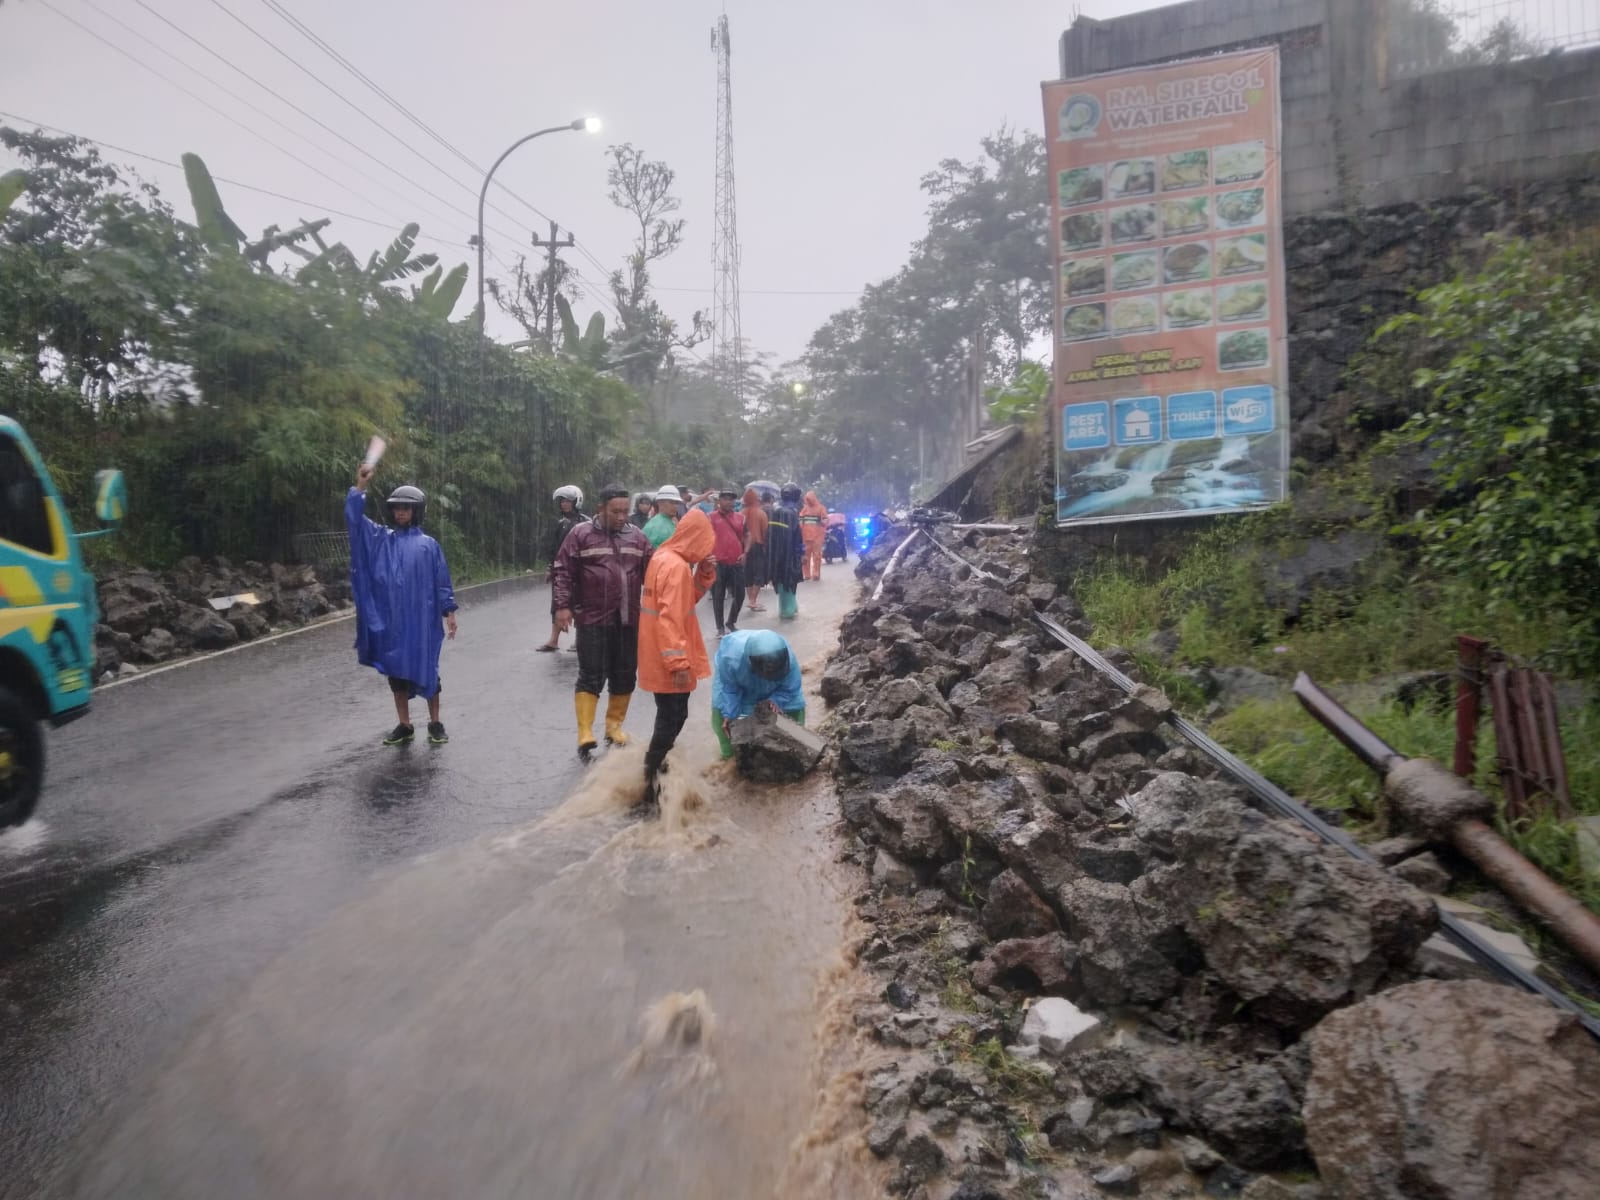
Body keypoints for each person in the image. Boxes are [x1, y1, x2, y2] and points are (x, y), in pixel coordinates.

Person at [347, 464, 458, 746]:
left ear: (416, 511)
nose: (400, 513)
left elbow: (441, 580)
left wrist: (449, 611)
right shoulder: (382, 540)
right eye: (397, 508)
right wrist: (360, 487)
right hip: (393, 621)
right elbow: (355, 521)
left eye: (406, 509)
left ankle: (435, 722)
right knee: (397, 673)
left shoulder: (429, 545)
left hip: (422, 622)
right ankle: (404, 724)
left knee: (427, 670)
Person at [551, 482, 652, 758]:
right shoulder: (580, 535)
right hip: (593, 619)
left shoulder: (638, 538)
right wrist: (563, 606)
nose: (621, 517)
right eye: (615, 511)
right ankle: (585, 731)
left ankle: (614, 727)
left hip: (628, 620)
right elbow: (562, 571)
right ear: (601, 508)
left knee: (624, 673)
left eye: (624, 511)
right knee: (591, 674)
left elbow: (654, 572)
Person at [638, 508, 716, 802]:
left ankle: (655, 768)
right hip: (668, 657)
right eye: (704, 544)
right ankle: (651, 776)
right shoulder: (676, 566)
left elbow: (685, 598)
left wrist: (704, 572)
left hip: (656, 653)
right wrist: (678, 662)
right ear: (694, 539)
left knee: (668, 714)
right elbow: (670, 619)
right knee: (673, 716)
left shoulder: (665, 557)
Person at [710, 629, 805, 760]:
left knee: (794, 712)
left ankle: (799, 754)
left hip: (778, 688)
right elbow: (730, 688)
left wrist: (776, 700)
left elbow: (791, 687)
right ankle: (729, 757)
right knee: (722, 717)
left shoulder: (787, 657)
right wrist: (729, 714)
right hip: (737, 681)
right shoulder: (731, 658)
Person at [538, 485, 586, 652]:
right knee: (558, 604)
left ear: (576, 502)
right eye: (562, 501)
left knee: (580, 605)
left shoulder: (585, 523)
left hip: (580, 570)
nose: (564, 504)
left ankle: (579, 640)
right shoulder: (558, 523)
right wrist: (550, 567)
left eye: (568, 501)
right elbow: (554, 548)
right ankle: (553, 640)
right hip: (561, 570)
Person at [709, 487, 746, 638]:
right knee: (718, 596)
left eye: (731, 499)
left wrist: (745, 552)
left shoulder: (740, 518)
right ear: (719, 501)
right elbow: (703, 536)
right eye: (725, 498)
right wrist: (707, 555)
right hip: (718, 563)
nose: (728, 501)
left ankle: (731, 621)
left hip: (736, 562)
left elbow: (747, 536)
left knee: (740, 594)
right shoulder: (710, 517)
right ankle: (720, 628)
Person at [767, 483, 805, 620]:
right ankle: (788, 610)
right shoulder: (791, 512)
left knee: (782, 579)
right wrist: (800, 553)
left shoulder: (775, 510)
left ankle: (787, 607)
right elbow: (796, 536)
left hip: (776, 553)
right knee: (789, 579)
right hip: (789, 554)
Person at [742, 486, 769, 612]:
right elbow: (765, 532)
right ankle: (753, 601)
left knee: (747, 573)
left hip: (744, 548)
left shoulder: (740, 514)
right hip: (758, 546)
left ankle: (750, 600)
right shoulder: (761, 513)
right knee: (758, 573)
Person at [799, 489, 828, 581]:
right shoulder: (804, 509)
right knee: (805, 556)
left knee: (817, 556)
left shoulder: (821, 508)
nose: (809, 501)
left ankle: (816, 573)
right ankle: (806, 574)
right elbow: (800, 521)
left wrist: (823, 522)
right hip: (806, 536)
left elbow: (825, 520)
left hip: (817, 536)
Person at [642, 484, 683, 548]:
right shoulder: (656, 526)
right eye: (671, 502)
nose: (675, 506)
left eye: (677, 503)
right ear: (660, 502)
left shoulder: (671, 523)